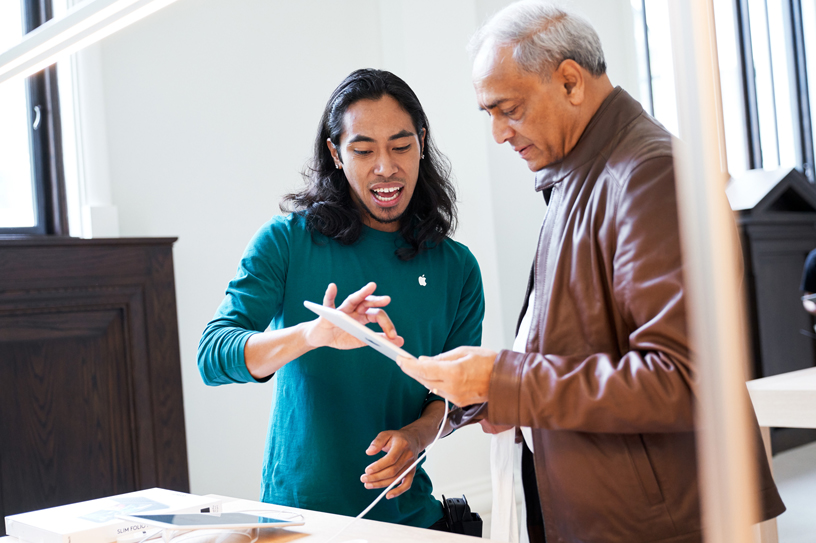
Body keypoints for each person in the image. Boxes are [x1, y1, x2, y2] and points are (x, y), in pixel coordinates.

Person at [397, 2, 785, 542]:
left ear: (571, 82)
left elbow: (683, 380)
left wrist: (504, 379)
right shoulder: (580, 173)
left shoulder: (650, 174)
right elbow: (583, 343)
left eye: (508, 109)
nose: (499, 134)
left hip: (654, 520)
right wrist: (484, 392)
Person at [197, 68, 485, 529]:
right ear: (335, 153)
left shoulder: (457, 268)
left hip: (409, 521)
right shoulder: (286, 243)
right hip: (297, 521)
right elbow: (213, 356)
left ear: (422, 142)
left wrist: (416, 436)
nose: (385, 167)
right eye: (363, 149)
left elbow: (454, 397)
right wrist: (313, 334)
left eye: (401, 145)